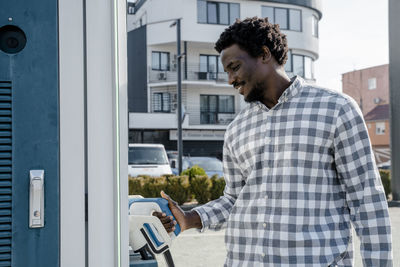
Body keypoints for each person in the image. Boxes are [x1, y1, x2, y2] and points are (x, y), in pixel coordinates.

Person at [155, 17, 392, 266]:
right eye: (226, 72)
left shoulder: (336, 109)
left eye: (234, 67)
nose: (230, 80)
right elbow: (234, 199)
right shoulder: (237, 129)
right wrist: (190, 218)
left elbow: (367, 202)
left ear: (264, 54)